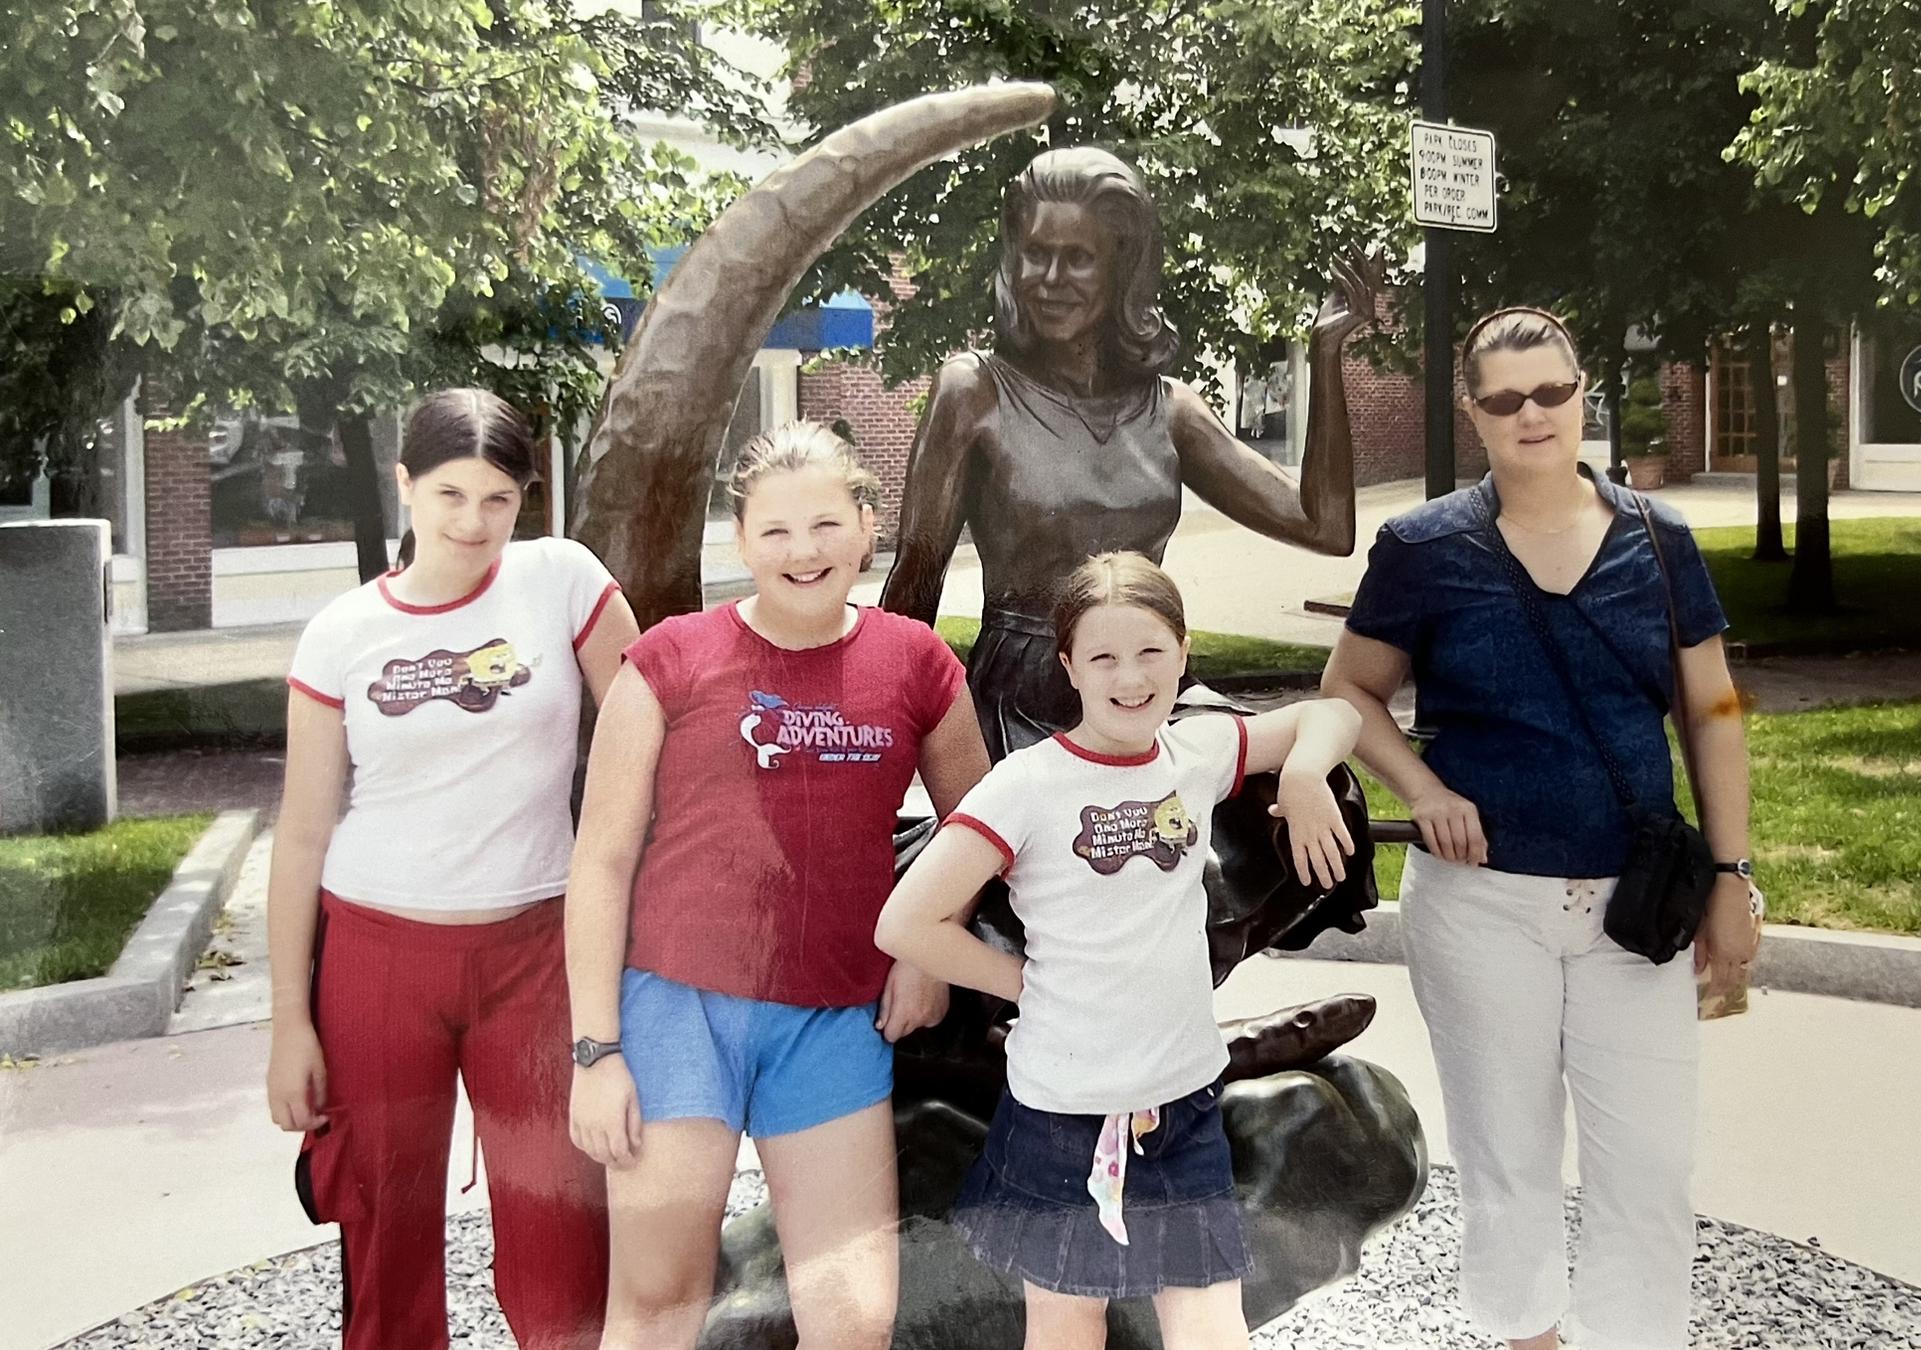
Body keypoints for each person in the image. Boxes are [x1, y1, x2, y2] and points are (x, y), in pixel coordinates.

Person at [1321, 307, 1760, 1350]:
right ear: (1473, 413)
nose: (1533, 415)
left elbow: (1713, 710)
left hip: (1635, 909)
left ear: (1580, 396)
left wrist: (1731, 874)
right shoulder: (1423, 548)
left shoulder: (1659, 542)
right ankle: (1526, 1338)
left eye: (1552, 393)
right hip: (1480, 909)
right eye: (1506, 399)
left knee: (1645, 1166)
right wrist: (1420, 789)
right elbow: (1347, 691)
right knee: (1506, 1158)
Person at [564, 421, 992, 1349]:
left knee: (856, 1317)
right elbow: (599, 861)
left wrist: (933, 945)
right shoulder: (670, 660)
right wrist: (595, 1053)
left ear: (868, 528)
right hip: (679, 1010)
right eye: (777, 531)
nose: (805, 552)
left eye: (828, 524)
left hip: (830, 1021)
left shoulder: (919, 662)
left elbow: (983, 829)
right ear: (741, 539)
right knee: (659, 1296)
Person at [876, 552, 1362, 1350]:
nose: (1129, 677)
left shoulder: (1194, 755)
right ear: (1068, 665)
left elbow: (1332, 713)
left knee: (1212, 1326)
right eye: (1103, 656)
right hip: (1061, 1115)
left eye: (1150, 653)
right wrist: (1025, 983)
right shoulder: (1027, 785)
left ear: (1184, 653)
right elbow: (907, 922)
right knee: (1069, 1328)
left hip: (1181, 1106)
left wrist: (1306, 771)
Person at [266, 388, 640, 1349]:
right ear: (403, 486)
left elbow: (652, 736)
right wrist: (288, 1024)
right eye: (448, 496)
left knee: (565, 1230)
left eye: (497, 500)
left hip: (538, 953)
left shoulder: (562, 579)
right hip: (378, 955)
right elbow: (303, 833)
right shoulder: (342, 634)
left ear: (526, 501)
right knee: (383, 1229)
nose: (473, 523)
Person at [880, 145, 1368, 760]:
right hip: (1027, 701)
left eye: (1078, 259)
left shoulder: (1170, 409)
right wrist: (881, 737)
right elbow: (916, 580)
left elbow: (1324, 527)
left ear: (1122, 269)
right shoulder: (975, 391)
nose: (1051, 281)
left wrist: (1324, 358)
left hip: (1152, 687)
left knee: (1298, 807)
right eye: (1036, 254)